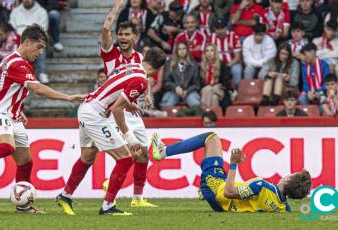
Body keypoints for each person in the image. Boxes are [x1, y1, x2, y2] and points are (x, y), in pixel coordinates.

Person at [55, 0, 160, 216]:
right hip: (104, 113)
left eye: (126, 34)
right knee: (126, 157)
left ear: (135, 38)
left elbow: (129, 85)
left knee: (88, 157)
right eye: (119, 34)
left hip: (100, 107)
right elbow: (105, 29)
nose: (121, 38)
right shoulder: (112, 55)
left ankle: (66, 195)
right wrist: (117, 7)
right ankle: (108, 205)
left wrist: (143, 96)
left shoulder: (136, 62)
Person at [0, 24, 86, 214]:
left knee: (25, 162)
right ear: (27, 43)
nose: (40, 53)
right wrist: (68, 97)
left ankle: (23, 206)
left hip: (13, 115)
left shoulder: (18, 62)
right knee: (7, 146)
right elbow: (37, 88)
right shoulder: (16, 63)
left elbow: (6, 88)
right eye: (38, 48)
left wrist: (18, 108)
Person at [151, 132, 311, 212]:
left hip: (217, 190)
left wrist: (234, 164)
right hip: (224, 206)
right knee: (216, 165)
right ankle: (203, 190)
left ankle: (163, 151)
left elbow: (229, 192)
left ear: (289, 181)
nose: (288, 174)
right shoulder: (283, 208)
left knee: (211, 138)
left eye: (292, 174)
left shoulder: (262, 186)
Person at [9, 0, 49, 83]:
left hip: (35, 38)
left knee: (40, 46)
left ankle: (42, 73)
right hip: (19, 37)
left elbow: (43, 28)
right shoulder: (15, 11)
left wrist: (33, 39)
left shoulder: (41, 11)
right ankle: (16, 73)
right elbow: (12, 26)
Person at [160, 41, 201, 108]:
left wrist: (187, 91)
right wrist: (175, 87)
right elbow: (166, 81)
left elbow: (197, 84)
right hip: (173, 91)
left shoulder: (193, 64)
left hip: (189, 92)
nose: (182, 51)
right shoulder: (169, 63)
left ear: (187, 50)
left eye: (184, 48)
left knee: (196, 104)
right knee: (166, 106)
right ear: (176, 51)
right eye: (179, 49)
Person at [208, 17, 242, 88]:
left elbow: (237, 57)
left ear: (226, 27)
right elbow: (208, 55)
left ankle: (236, 91)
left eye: (222, 28)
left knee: (236, 71)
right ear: (214, 28)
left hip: (232, 63)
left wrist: (226, 66)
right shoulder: (211, 38)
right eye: (218, 28)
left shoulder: (233, 36)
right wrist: (217, 65)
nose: (220, 31)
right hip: (216, 63)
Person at [200, 43, 231, 109]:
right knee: (214, 97)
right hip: (206, 91)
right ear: (205, 53)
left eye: (212, 50)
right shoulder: (201, 66)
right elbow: (199, 83)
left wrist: (215, 84)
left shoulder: (222, 64)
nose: (209, 53)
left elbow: (225, 82)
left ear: (215, 52)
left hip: (219, 89)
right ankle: (214, 115)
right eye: (207, 51)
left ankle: (206, 111)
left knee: (207, 89)